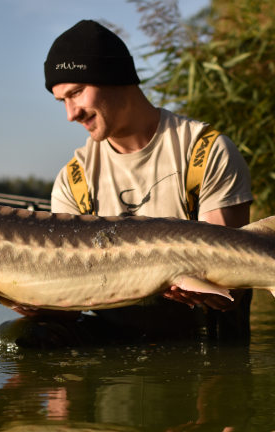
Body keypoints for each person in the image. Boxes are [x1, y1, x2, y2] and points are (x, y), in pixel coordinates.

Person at [43, 19, 253, 342]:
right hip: (116, 346)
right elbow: (69, 303)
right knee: (18, 337)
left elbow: (232, 285)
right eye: (62, 102)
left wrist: (206, 286)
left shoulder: (205, 152)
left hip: (204, 347)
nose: (71, 114)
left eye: (77, 93)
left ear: (114, 76)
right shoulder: (74, 181)